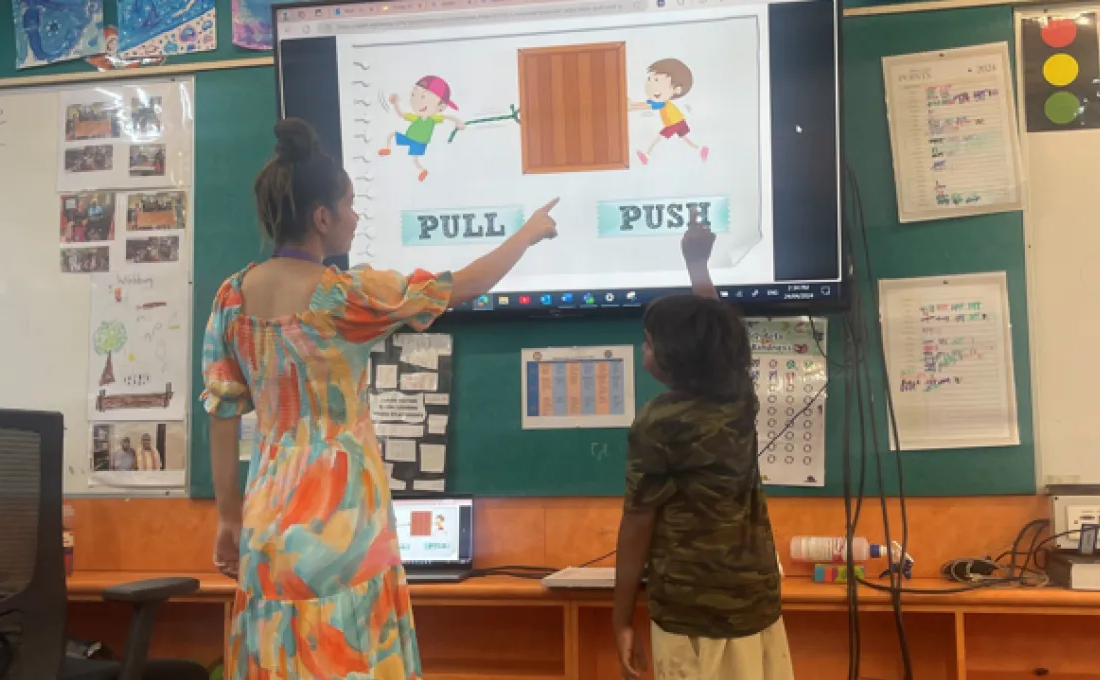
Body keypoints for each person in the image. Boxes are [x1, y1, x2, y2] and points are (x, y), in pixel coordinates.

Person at [202, 117, 559, 679]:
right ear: (321, 218)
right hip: (343, 513)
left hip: (266, 516)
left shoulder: (231, 296)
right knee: (352, 656)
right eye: (348, 203)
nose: (355, 214)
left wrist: (228, 518)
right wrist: (526, 234)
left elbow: (222, 414)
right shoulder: (345, 296)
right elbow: (460, 285)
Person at [611, 223, 792, 680]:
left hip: (690, 609)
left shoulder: (658, 422)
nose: (644, 349)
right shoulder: (737, 399)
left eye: (650, 342)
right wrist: (697, 266)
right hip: (755, 598)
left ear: (674, 356)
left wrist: (620, 617)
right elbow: (724, 337)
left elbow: (637, 524)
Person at [379, 76, 466, 182]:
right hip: (409, 137)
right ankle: (387, 149)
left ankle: (423, 171)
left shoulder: (433, 119)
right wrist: (395, 103)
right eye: (413, 95)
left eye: (423, 97)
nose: (416, 101)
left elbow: (448, 117)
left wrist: (458, 122)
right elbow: (401, 114)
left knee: (415, 159)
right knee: (392, 135)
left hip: (420, 142)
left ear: (441, 106)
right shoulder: (416, 117)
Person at [629, 58, 709, 165]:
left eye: (656, 80)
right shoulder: (662, 102)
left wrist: (630, 106)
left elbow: (646, 106)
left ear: (677, 90)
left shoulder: (661, 102)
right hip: (680, 121)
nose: (650, 85)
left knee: (659, 137)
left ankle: (647, 155)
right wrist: (630, 105)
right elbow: (646, 104)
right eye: (649, 79)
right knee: (685, 138)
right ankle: (700, 149)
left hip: (674, 123)